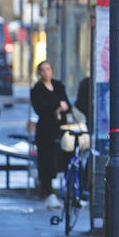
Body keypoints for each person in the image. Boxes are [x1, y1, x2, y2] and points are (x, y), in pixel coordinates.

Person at [30, 60, 71, 208]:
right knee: (46, 160)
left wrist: (59, 109)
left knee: (63, 157)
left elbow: (67, 105)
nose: (47, 72)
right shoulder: (37, 89)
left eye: (49, 69)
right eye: (43, 70)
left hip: (60, 129)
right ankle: (48, 191)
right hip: (46, 131)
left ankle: (68, 190)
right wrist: (57, 107)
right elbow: (41, 108)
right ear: (40, 74)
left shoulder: (58, 86)